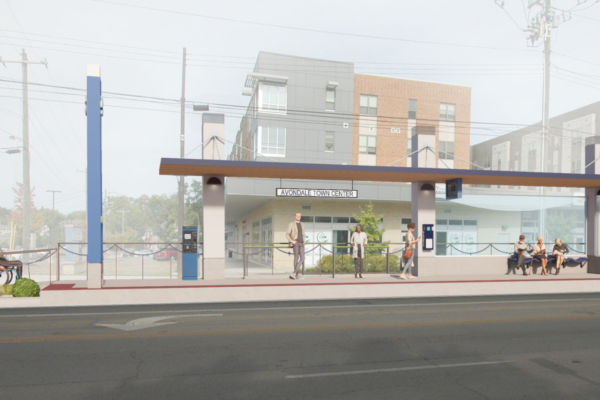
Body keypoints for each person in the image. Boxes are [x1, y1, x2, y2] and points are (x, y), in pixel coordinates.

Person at [286, 212, 306, 280]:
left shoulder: (302, 224)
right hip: (296, 243)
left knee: (303, 257)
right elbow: (287, 234)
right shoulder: (291, 224)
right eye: (297, 216)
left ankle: (294, 273)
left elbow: (303, 233)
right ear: (295, 216)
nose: (298, 217)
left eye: (299, 216)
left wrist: (304, 240)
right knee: (296, 257)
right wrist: (291, 241)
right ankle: (296, 275)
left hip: (301, 243)